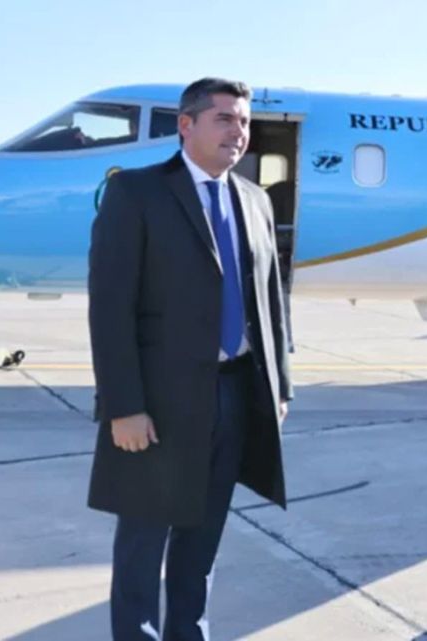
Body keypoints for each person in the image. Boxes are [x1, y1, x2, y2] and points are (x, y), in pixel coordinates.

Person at [87, 77, 293, 641]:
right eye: (225, 118)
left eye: (245, 121)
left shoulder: (255, 200)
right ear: (187, 124)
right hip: (158, 401)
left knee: (200, 543)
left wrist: (280, 386)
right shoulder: (138, 193)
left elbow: (271, 302)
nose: (238, 131)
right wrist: (123, 407)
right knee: (142, 546)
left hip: (234, 394)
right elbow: (110, 310)